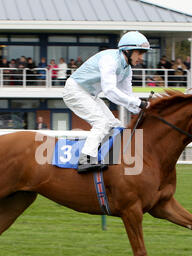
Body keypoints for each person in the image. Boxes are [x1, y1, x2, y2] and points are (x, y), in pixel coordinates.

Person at [63, 31, 150, 173]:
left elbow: (127, 98)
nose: (141, 58)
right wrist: (139, 103)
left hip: (90, 95)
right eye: (139, 53)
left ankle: (109, 159)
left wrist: (144, 109)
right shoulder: (110, 59)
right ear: (127, 51)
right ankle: (85, 159)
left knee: (115, 125)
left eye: (143, 54)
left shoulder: (127, 70)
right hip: (75, 90)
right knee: (102, 123)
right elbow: (110, 92)